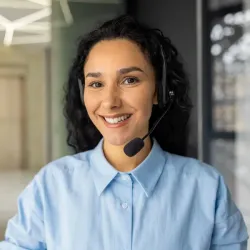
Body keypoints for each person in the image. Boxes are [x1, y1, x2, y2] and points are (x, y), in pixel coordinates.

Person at [0, 15, 248, 250]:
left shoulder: (206, 187)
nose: (109, 102)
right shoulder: (51, 185)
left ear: (158, 91)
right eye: (96, 84)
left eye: (129, 80)